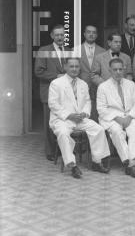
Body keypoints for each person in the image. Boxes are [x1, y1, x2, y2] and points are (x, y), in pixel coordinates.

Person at [48, 58, 110, 178]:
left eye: (77, 66)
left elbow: (87, 102)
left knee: (98, 129)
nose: (74, 69)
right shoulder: (56, 83)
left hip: (80, 119)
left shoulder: (83, 84)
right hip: (63, 119)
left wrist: (85, 113)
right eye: (71, 66)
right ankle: (72, 165)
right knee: (63, 133)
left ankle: (97, 162)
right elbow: (53, 104)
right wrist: (69, 115)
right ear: (65, 67)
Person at [97, 58, 135, 178]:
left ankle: (132, 163)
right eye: (115, 69)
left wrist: (130, 117)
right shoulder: (103, 87)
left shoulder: (131, 84)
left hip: (128, 116)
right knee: (117, 131)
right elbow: (101, 109)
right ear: (110, 70)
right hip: (111, 118)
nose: (118, 72)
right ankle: (130, 163)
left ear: (124, 69)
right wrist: (117, 118)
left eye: (120, 69)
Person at [34, 24, 72, 161]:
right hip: (49, 92)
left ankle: (62, 149)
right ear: (52, 36)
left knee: (63, 122)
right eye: (57, 35)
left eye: (62, 35)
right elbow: (38, 71)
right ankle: (50, 152)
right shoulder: (44, 50)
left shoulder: (69, 50)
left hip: (66, 94)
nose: (60, 37)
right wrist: (56, 76)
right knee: (50, 123)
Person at [75, 25, 105, 121]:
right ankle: (82, 134)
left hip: (97, 86)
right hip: (81, 84)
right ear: (84, 34)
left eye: (94, 32)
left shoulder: (103, 51)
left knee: (97, 110)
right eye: (89, 32)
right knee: (82, 109)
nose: (91, 34)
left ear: (96, 35)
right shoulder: (76, 50)